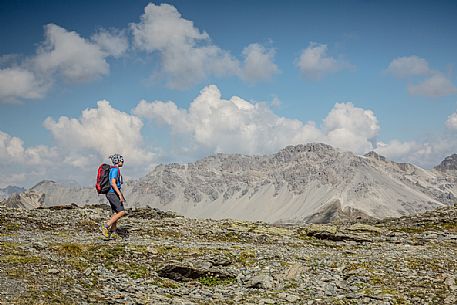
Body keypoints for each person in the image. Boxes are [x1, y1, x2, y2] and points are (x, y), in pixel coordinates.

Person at [101, 154, 126, 238]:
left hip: (111, 193)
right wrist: (120, 195)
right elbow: (113, 183)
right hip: (112, 193)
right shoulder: (115, 170)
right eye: (121, 160)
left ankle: (113, 231)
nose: (123, 162)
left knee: (116, 212)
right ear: (118, 161)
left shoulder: (113, 169)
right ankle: (105, 227)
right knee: (121, 212)